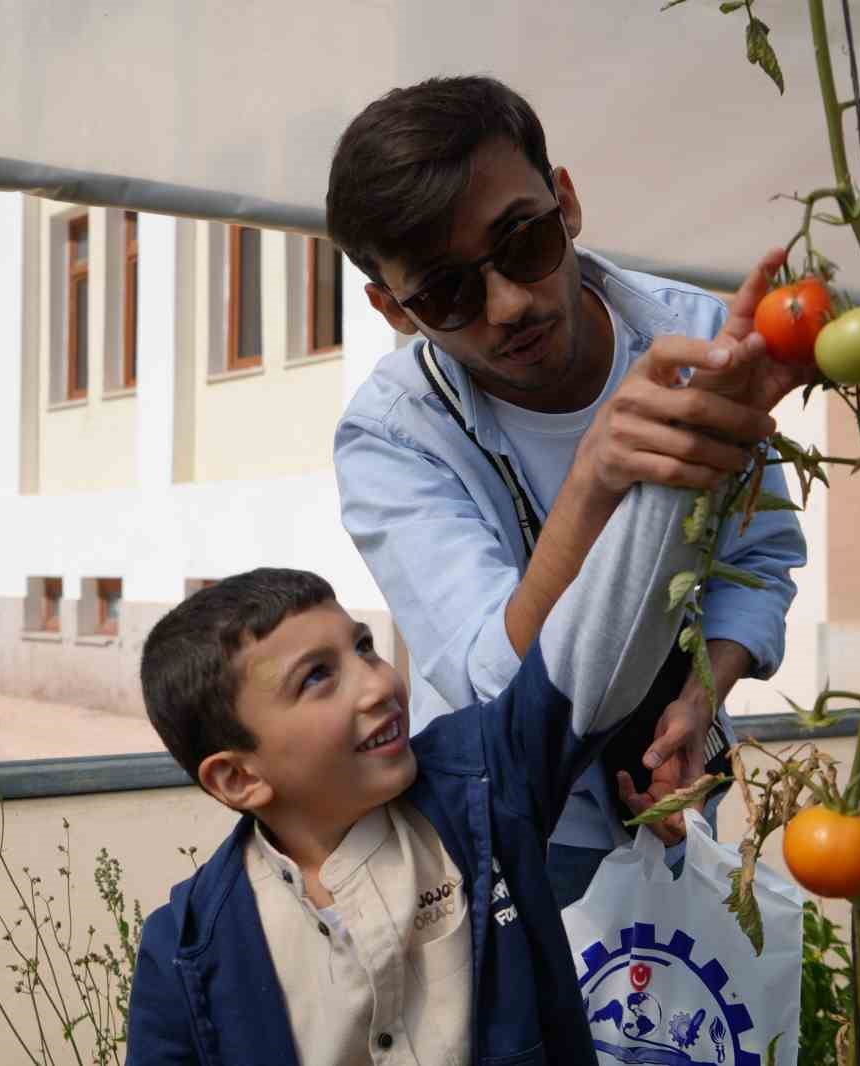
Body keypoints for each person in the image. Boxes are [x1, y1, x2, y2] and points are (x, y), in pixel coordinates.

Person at [329, 75, 810, 903]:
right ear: (392, 310)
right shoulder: (393, 437)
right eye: (447, 293)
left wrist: (698, 705)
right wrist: (594, 476)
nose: (509, 304)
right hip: (518, 828)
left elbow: (757, 560)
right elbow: (490, 677)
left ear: (567, 202)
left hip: (675, 794)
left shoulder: (696, 339)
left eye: (522, 242)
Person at [126, 467, 752, 1065]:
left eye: (364, 647)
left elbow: (593, 641)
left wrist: (685, 450)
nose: (376, 684)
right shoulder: (184, 952)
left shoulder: (483, 782)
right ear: (239, 778)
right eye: (318, 677)